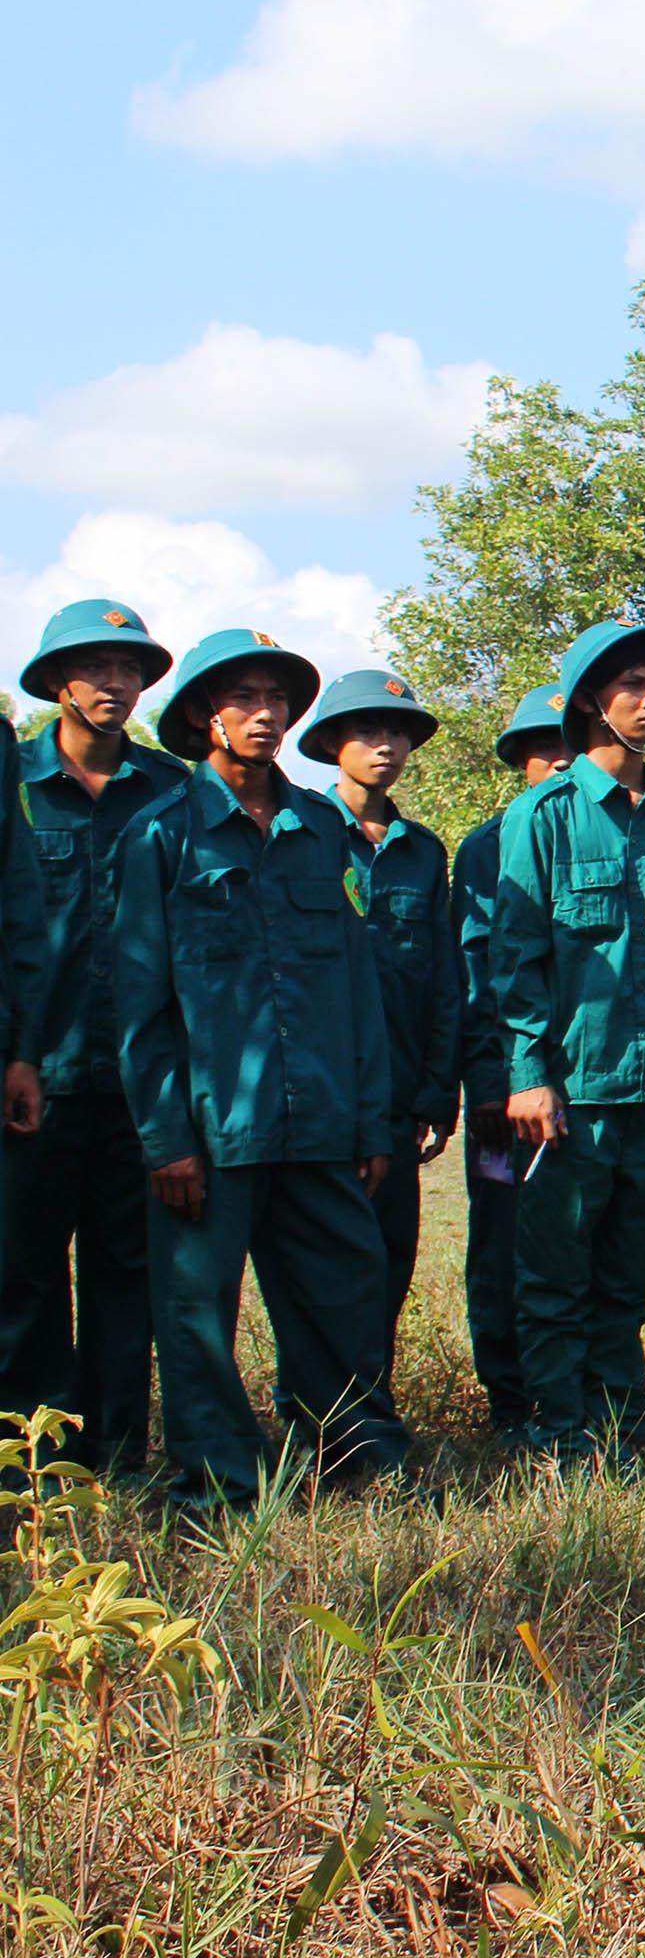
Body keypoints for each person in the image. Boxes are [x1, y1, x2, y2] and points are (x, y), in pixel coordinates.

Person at [114, 630, 408, 1509]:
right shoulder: (161, 834)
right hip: (213, 1130)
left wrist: (368, 1120)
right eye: (243, 697)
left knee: (343, 1298)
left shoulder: (321, 829)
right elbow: (140, 1000)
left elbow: (358, 987)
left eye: (277, 698)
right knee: (199, 1315)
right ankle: (220, 1483)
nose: (266, 713)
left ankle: (361, 1461)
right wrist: (167, 1137)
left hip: (321, 1121)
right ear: (206, 715)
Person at [487, 615, 645, 1473]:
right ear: (592, 700)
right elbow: (515, 957)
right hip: (572, 1093)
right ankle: (561, 1437)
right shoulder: (542, 815)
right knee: (555, 1276)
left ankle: (622, 1438)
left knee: (629, 1283)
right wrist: (529, 1072)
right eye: (633, 685)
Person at [1, 599, 181, 1476]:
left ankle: (117, 1462)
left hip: (140, 1088)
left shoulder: (172, 791)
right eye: (97, 668)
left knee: (126, 1280)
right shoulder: (14, 785)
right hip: (32, 1080)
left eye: (131, 669)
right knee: (25, 1279)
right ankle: (34, 1472)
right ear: (55, 682)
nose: (117, 684)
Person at [301, 669, 457, 1411]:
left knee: (393, 1258)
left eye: (398, 733)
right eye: (367, 732)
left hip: (397, 1095)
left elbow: (442, 977)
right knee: (329, 1265)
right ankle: (318, 1416)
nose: (386, 746)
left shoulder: (424, 851)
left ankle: (372, 1410)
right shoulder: (302, 833)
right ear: (333, 743)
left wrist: (436, 1088)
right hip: (322, 1094)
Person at [453, 685, 567, 1443]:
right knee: (501, 1239)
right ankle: (508, 1399)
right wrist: (494, 1081)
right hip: (509, 1087)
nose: (559, 763)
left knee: (574, 1240)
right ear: (521, 761)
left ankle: (572, 1394)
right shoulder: (490, 845)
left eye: (570, 747)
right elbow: (473, 973)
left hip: (585, 1083)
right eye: (544, 752)